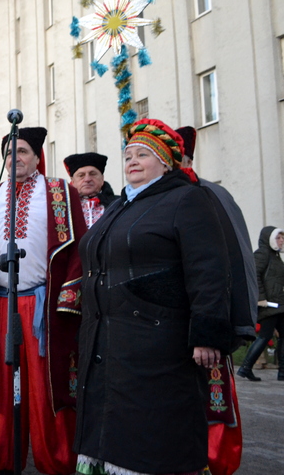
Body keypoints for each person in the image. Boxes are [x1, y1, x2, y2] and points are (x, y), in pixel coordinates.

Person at [74, 119, 234, 475]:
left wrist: (207, 334)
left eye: (143, 154)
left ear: (166, 162)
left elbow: (208, 269)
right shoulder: (119, 206)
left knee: (152, 436)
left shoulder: (187, 198)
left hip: (158, 343)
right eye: (128, 154)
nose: (132, 160)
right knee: (110, 428)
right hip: (108, 338)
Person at [0, 128, 87, 475]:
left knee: (47, 385)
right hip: (0, 303)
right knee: (1, 384)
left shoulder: (61, 192)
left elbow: (80, 248)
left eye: (24, 151)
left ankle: (55, 461)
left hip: (43, 306)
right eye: (10, 152)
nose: (16, 158)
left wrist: (68, 299)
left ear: (36, 157)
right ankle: (2, 457)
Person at [175, 126, 254, 475]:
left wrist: (224, 324)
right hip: (165, 324)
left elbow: (232, 261)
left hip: (206, 317)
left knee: (212, 395)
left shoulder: (210, 195)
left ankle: (213, 461)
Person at [236, 226, 284, 382]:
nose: (282, 240)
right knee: (264, 336)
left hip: (278, 303)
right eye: (278, 237)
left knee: (278, 335)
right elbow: (254, 275)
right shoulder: (262, 254)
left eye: (282, 237)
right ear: (269, 238)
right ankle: (245, 367)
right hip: (268, 304)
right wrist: (260, 298)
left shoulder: (275, 256)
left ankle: (282, 371)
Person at [62, 152, 119, 228]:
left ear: (102, 178)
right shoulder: (63, 207)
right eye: (81, 175)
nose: (87, 179)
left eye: (92, 174)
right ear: (73, 181)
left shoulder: (119, 204)